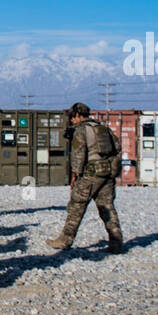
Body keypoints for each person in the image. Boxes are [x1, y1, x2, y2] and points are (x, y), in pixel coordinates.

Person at [46, 103, 124, 253]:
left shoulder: (82, 130)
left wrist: (75, 175)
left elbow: (78, 154)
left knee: (76, 205)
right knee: (107, 207)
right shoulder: (103, 128)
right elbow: (117, 147)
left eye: (72, 118)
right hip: (108, 173)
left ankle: (65, 240)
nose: (72, 121)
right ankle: (116, 242)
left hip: (91, 173)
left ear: (77, 115)